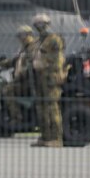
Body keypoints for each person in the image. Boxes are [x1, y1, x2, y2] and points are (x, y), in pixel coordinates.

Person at [31, 12, 66, 147]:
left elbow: (58, 58)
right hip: (40, 78)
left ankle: (56, 138)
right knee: (42, 108)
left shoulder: (54, 39)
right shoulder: (40, 40)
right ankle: (46, 137)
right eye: (37, 25)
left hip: (50, 77)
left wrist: (45, 64)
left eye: (41, 25)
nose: (39, 27)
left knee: (52, 108)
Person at [0, 24, 37, 122]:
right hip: (22, 80)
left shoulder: (33, 49)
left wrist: (19, 76)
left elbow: (31, 67)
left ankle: (16, 117)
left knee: (7, 90)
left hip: (30, 82)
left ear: (27, 35)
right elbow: (14, 61)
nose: (20, 39)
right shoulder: (24, 49)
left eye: (21, 36)